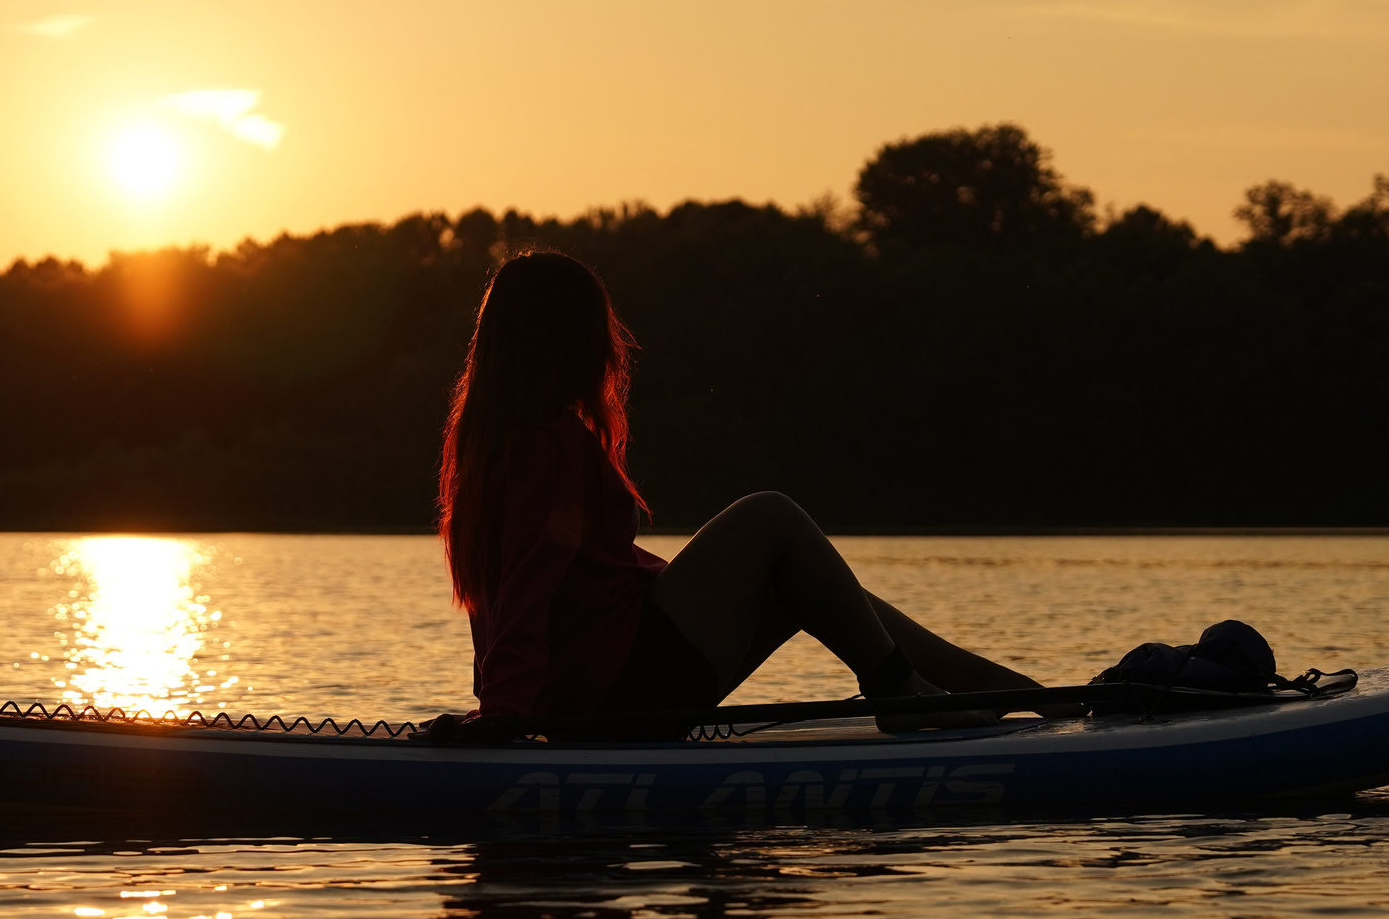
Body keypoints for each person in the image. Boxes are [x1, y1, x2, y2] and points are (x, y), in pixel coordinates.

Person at [436, 248, 1045, 734]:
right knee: (771, 517)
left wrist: (502, 700)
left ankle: (1025, 698)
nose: (609, 345)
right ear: (568, 341)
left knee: (817, 590)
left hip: (594, 689)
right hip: (613, 696)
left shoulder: (491, 448)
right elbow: (528, 584)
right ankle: (913, 696)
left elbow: (545, 583)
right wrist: (505, 717)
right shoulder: (553, 442)